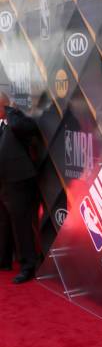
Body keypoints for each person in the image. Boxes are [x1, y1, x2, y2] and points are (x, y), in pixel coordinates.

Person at [0, 92, 40, 283]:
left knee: (21, 225)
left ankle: (28, 265)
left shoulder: (18, 120)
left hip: (19, 180)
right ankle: (4, 259)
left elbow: (21, 127)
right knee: (4, 222)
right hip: (4, 181)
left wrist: (9, 109)